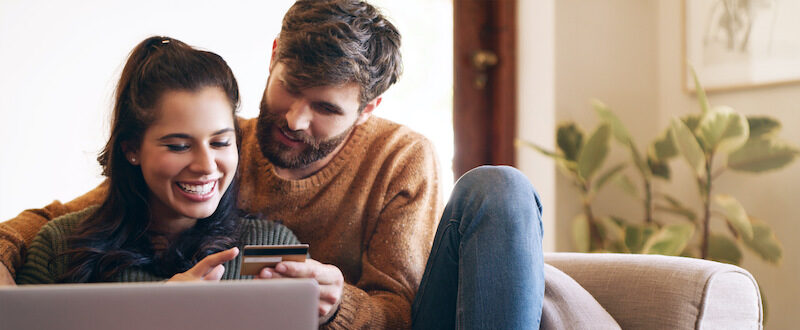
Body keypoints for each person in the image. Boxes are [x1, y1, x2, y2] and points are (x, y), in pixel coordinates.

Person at [0, 0, 544, 328]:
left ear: (368, 108)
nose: (295, 120)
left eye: (327, 108)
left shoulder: (401, 158)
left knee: (500, 188)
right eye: (289, 88)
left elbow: (405, 315)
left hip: (367, 320)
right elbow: (77, 218)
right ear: (274, 53)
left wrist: (339, 306)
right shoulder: (220, 147)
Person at [15, 36, 301, 286]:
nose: (206, 165)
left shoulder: (272, 249)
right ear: (131, 149)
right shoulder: (59, 249)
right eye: (178, 146)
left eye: (220, 142)